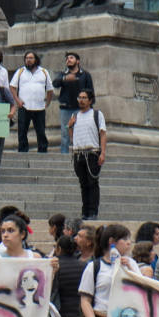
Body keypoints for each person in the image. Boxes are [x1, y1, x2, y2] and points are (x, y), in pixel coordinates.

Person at [68, 90, 106, 220]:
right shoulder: (74, 116)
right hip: (78, 153)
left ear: (90, 100)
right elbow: (72, 138)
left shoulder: (97, 114)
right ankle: (85, 211)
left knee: (92, 183)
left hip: (92, 152)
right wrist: (70, 127)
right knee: (83, 184)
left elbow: (102, 133)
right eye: (79, 97)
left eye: (84, 98)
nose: (81, 100)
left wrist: (103, 152)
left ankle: (93, 211)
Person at [10, 52, 53, 153]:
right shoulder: (20, 71)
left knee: (41, 132)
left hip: (40, 107)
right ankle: (23, 151)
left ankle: (42, 151)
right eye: (26, 58)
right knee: (22, 131)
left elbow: (50, 90)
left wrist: (48, 103)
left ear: (36, 59)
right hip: (24, 107)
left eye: (31, 58)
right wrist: (17, 100)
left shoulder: (44, 72)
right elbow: (12, 87)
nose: (28, 60)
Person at [53, 52, 94, 154]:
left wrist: (90, 108)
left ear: (77, 61)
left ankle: (81, 155)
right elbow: (55, 83)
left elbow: (91, 92)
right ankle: (64, 156)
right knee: (65, 134)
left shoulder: (85, 74)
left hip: (81, 109)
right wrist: (65, 79)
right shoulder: (63, 74)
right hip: (66, 109)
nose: (68, 60)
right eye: (67, 58)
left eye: (71, 58)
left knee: (82, 133)